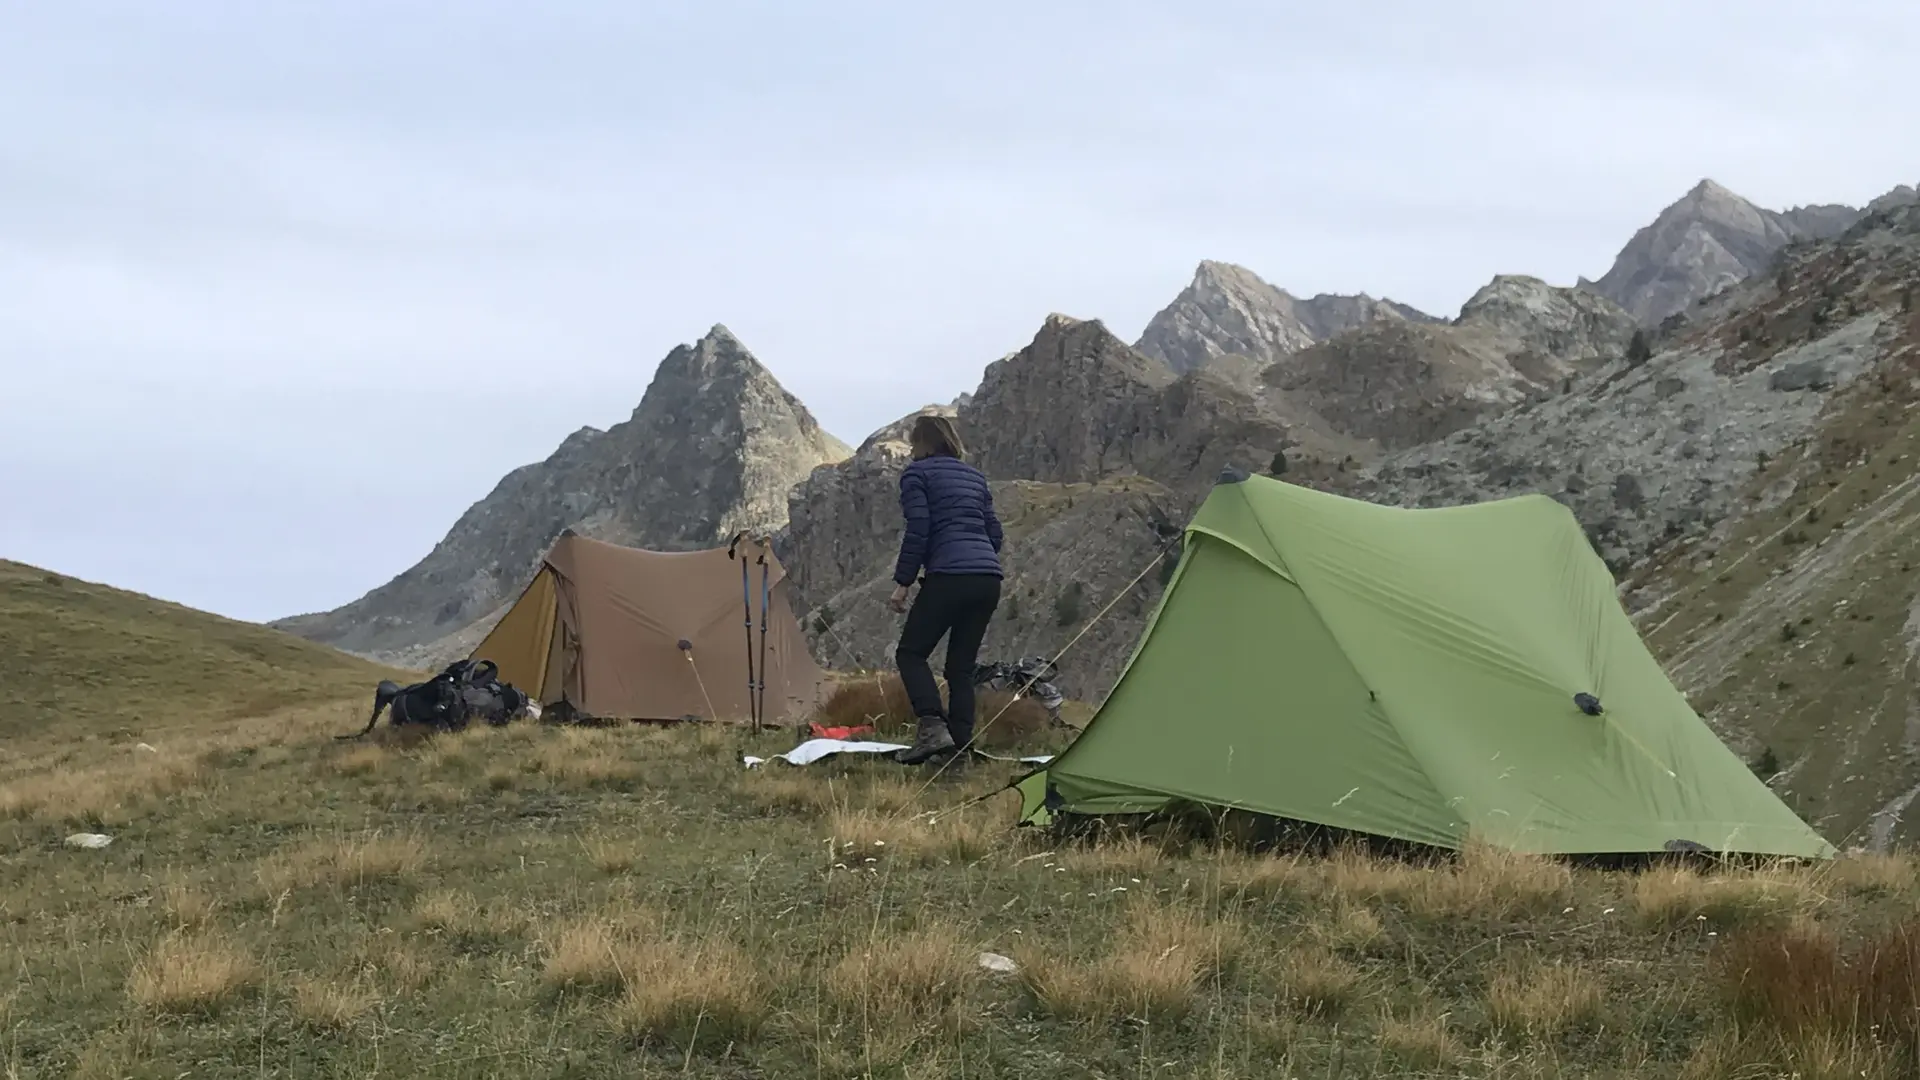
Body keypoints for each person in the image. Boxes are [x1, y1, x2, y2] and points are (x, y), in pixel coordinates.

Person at [888, 414, 1003, 764]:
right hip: (987, 578)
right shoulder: (975, 477)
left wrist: (903, 583)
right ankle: (959, 751)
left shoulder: (917, 475)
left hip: (949, 576)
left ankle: (932, 729)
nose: (910, 450)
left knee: (910, 653)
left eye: (913, 443)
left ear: (923, 443)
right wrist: (976, 555)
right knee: (960, 669)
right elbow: (994, 534)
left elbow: (919, 528)